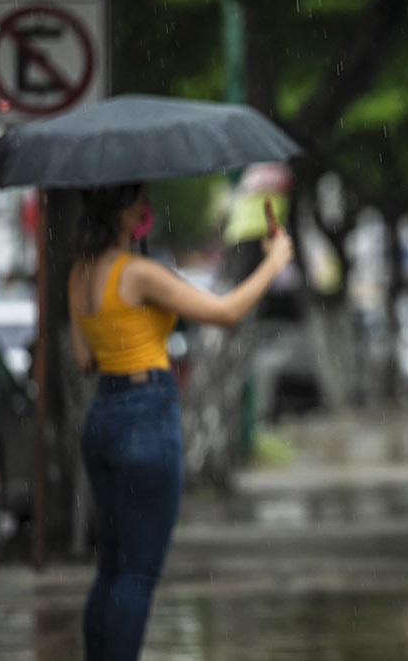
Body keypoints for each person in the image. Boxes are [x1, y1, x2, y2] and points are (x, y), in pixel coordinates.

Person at [67, 183, 293, 661]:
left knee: (111, 569)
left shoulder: (79, 274)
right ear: (125, 213)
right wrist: (274, 263)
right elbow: (225, 312)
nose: (146, 209)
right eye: (139, 202)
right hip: (146, 414)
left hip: (103, 415)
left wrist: (124, 329)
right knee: (138, 573)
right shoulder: (139, 273)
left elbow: (85, 359)